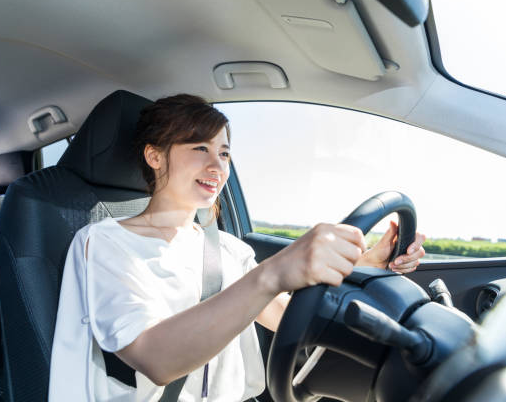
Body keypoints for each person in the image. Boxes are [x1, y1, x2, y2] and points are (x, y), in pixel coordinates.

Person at [49, 94, 426, 401]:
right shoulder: (106, 243)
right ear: (155, 156)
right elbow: (155, 358)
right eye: (200, 148)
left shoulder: (228, 249)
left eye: (225, 153)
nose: (217, 166)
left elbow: (284, 316)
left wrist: (365, 265)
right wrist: (272, 274)